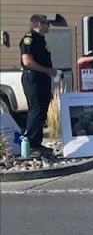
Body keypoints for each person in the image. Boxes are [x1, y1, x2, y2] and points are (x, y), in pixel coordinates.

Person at [19, 14, 58, 159]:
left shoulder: (41, 39)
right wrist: (47, 70)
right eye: (47, 23)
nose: (49, 26)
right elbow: (27, 61)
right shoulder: (29, 39)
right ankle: (31, 144)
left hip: (42, 79)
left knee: (42, 109)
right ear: (39, 24)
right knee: (36, 109)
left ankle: (37, 142)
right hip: (33, 78)